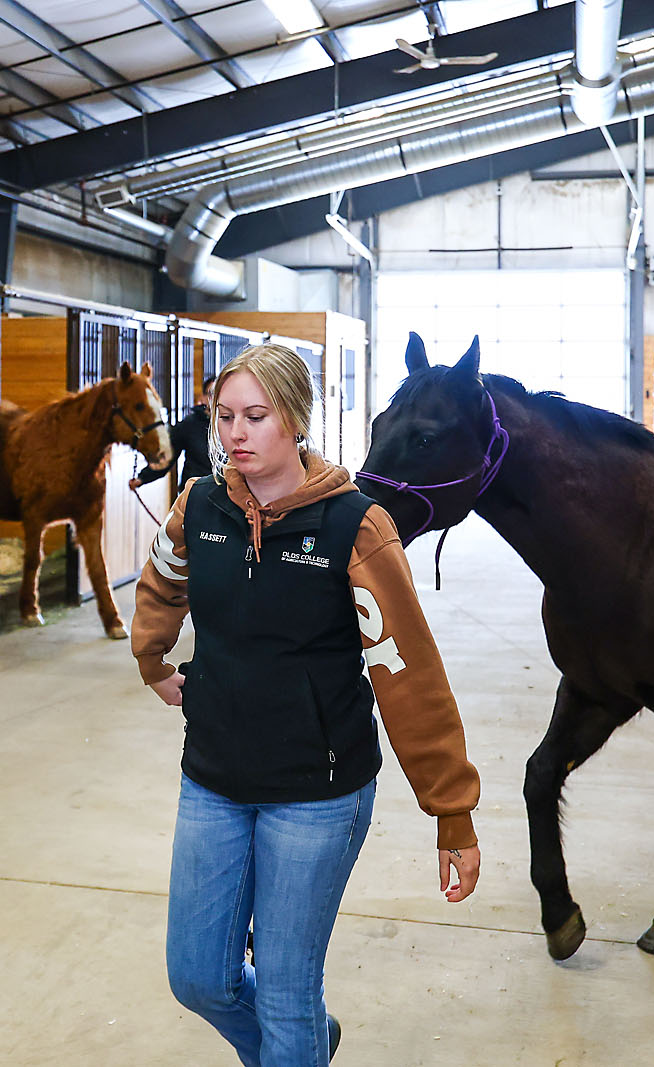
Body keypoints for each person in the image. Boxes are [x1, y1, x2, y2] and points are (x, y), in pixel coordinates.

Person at [130, 343, 482, 1066]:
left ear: (295, 420)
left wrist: (452, 809)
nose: (235, 433)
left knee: (289, 992)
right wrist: (153, 656)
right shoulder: (200, 504)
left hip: (317, 793)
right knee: (198, 975)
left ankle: (299, 1043)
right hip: (214, 776)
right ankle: (310, 1046)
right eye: (223, 416)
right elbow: (163, 580)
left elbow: (408, 673)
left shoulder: (356, 525)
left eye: (255, 416)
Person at [130, 374, 216, 490]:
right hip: (194, 492)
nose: (215, 398)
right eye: (211, 394)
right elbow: (167, 455)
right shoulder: (189, 424)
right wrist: (142, 478)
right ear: (203, 398)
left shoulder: (233, 425)